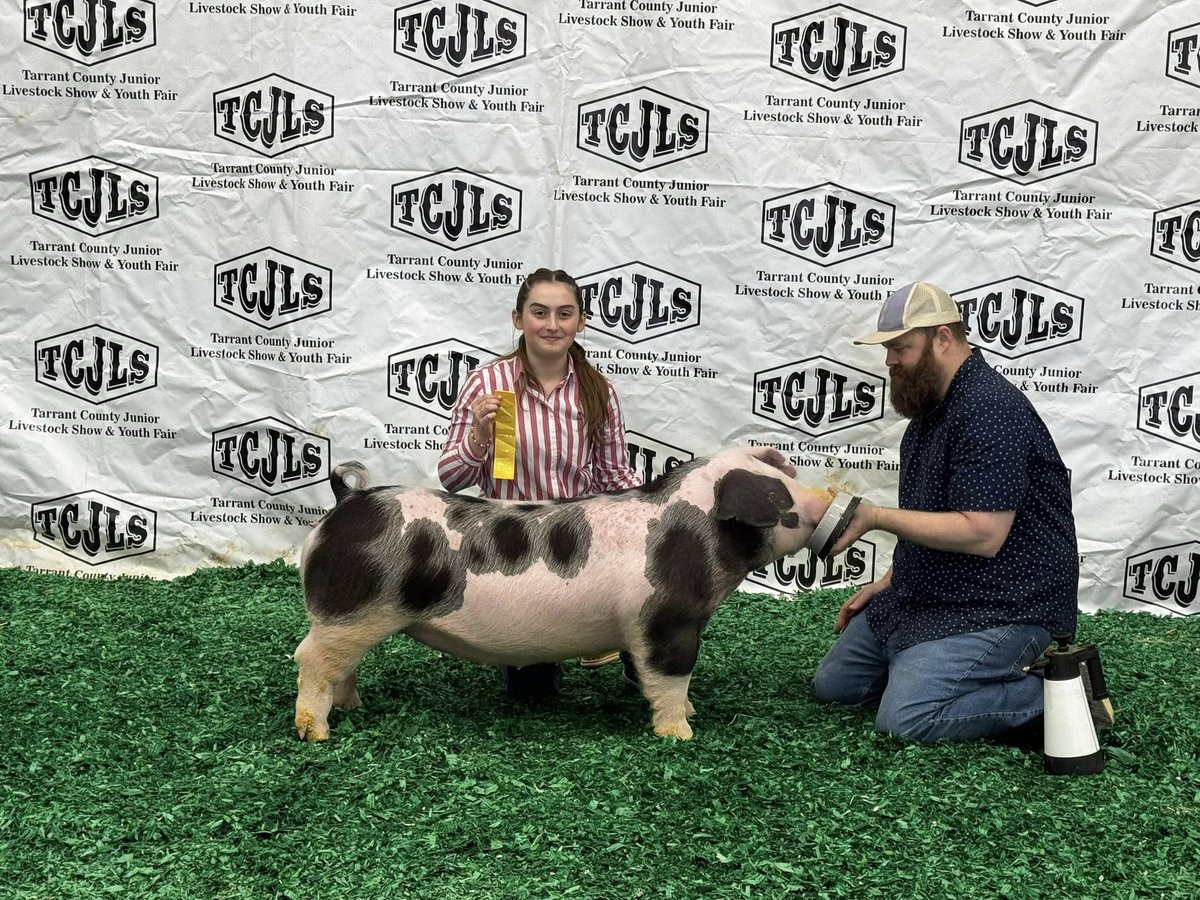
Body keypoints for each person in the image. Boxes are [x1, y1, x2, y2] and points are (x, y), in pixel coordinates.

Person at [812, 281, 1096, 745]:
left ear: (943, 337)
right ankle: (941, 671)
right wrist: (889, 580)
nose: (889, 361)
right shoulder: (933, 406)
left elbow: (983, 533)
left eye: (900, 348)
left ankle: (1064, 694)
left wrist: (875, 517)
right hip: (934, 592)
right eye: (888, 349)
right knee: (838, 686)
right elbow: (934, 516)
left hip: (1003, 602)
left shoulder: (990, 408)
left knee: (906, 719)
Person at [438, 267, 641, 702]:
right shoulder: (487, 384)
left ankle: (624, 645)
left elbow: (613, 476)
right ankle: (576, 641)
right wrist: (478, 437)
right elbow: (452, 479)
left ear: (581, 322)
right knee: (532, 696)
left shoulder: (598, 390)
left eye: (565, 314)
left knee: (646, 598)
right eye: (539, 312)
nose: (552, 325)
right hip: (509, 546)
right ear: (518, 319)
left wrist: (651, 517)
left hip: (579, 544)